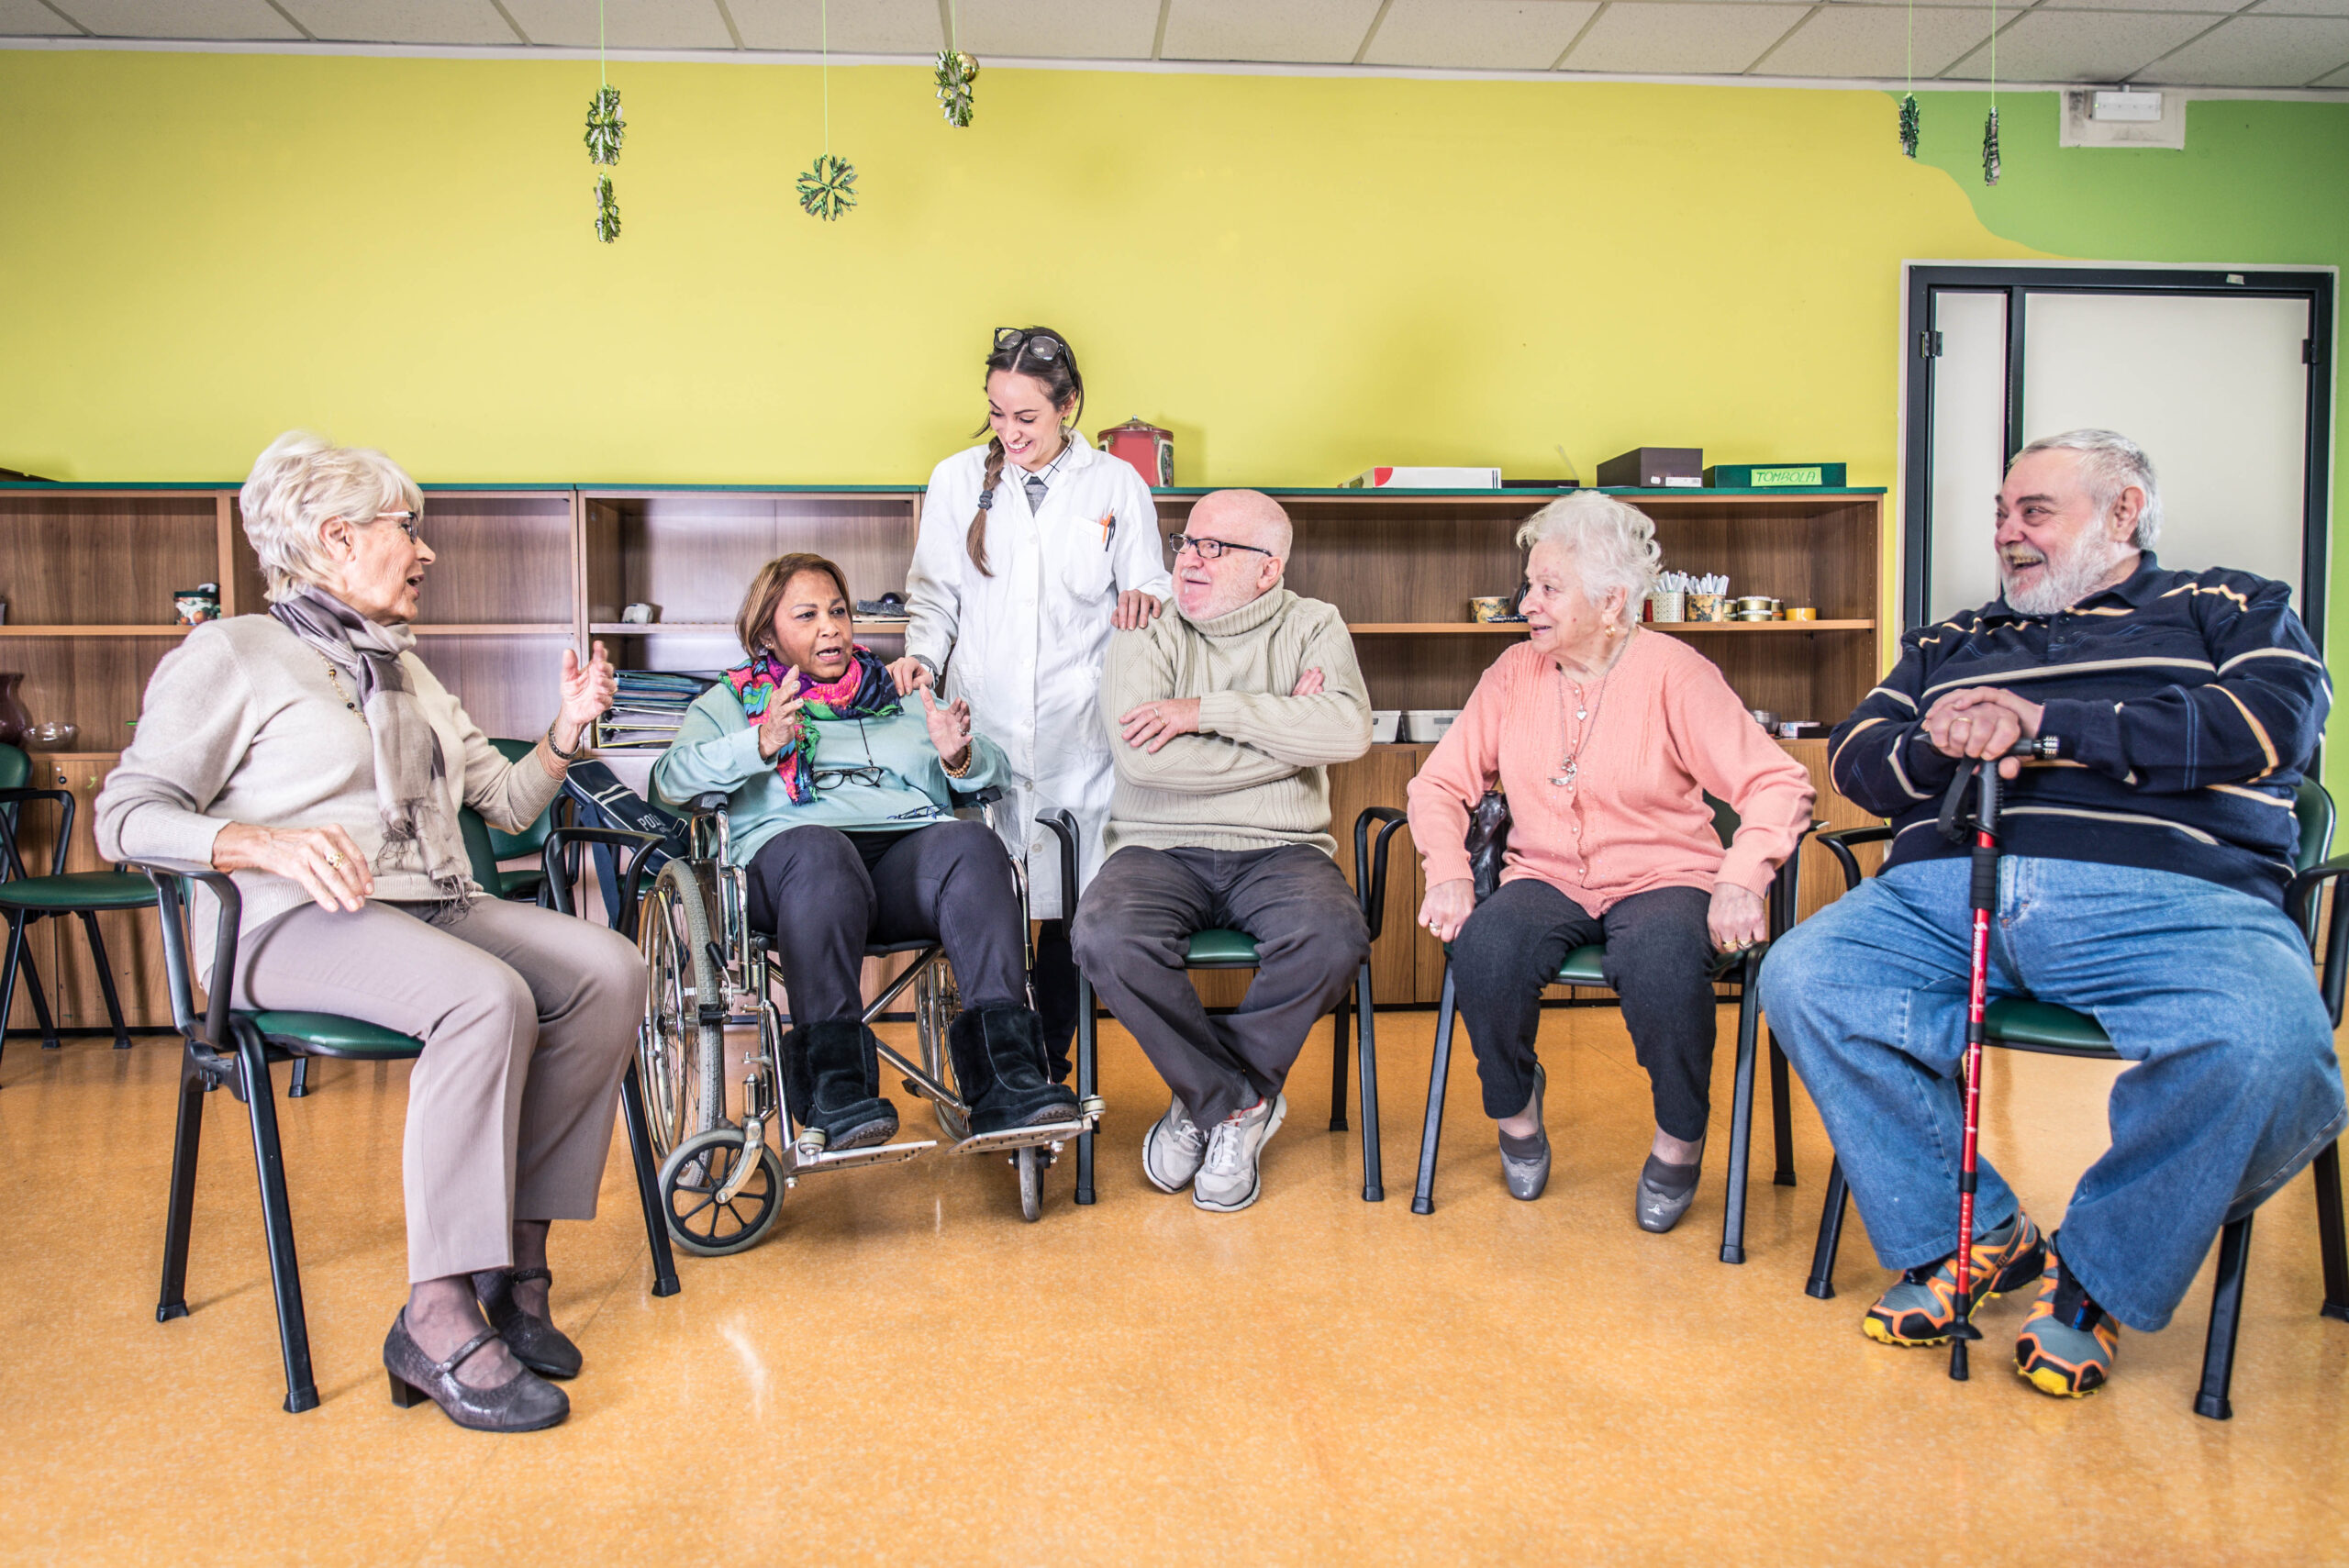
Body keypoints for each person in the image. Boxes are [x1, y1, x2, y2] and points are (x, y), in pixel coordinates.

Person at [1759, 428, 2344, 1400]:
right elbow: (1862, 754)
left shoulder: (2228, 605)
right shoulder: (1954, 640)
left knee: (2268, 1043)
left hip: (2172, 901)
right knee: (1806, 976)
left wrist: (2046, 724)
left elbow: (2268, 726)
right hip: (1948, 891)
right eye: (1999, 513)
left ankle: (2099, 1269)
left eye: (2034, 510)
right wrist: (1949, 739)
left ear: (2124, 513)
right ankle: (1976, 1230)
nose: (2007, 533)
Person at [95, 431, 642, 1434]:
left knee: (608, 968)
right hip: (290, 923)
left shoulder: (411, 671)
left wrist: (565, 731)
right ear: (336, 538)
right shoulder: (234, 652)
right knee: (484, 996)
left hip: (429, 901)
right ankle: (433, 1314)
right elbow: (124, 813)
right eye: (408, 529)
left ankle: (516, 1271)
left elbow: (507, 804)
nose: (424, 550)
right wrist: (253, 840)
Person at [1407, 492, 1814, 1229]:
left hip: (1667, 873)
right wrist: (1448, 869)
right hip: (1546, 875)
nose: (1526, 602)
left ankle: (1679, 1138)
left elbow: (1777, 782)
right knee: (1488, 951)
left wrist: (1740, 878)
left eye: (1548, 588)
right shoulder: (1511, 673)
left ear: (1612, 600)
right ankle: (1518, 1113)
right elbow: (1438, 783)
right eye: (1529, 585)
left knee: (1662, 965)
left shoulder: (1675, 672)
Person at [653, 553, 1077, 1152]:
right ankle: (836, 1089)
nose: (831, 626)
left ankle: (1009, 1077)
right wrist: (760, 742)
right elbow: (669, 781)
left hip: (905, 860)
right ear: (769, 632)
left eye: (839, 610)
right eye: (807, 615)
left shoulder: (902, 693)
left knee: (973, 843)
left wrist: (959, 757)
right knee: (821, 853)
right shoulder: (734, 700)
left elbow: (992, 772)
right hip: (796, 866)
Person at [1069, 489, 1373, 1212]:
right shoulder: (1146, 628)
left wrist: (1207, 713)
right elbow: (1146, 765)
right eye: (1189, 541)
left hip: (1282, 848)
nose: (1191, 559)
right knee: (1104, 936)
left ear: (1269, 570)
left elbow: (1349, 733)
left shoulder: (1313, 624)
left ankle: (1204, 1101)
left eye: (1217, 547)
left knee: (1334, 936)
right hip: (1156, 846)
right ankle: (1234, 1102)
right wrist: (1288, 740)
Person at [896, 327, 1172, 1075]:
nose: (1010, 433)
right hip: (982, 727)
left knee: (1071, 911)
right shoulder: (956, 480)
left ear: (1069, 406)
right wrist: (922, 656)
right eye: (997, 414)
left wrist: (1145, 602)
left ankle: (1046, 1064)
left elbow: (1150, 583)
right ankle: (995, 1060)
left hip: (1079, 733)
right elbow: (935, 596)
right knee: (986, 903)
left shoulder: (1117, 485)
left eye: (1028, 418)